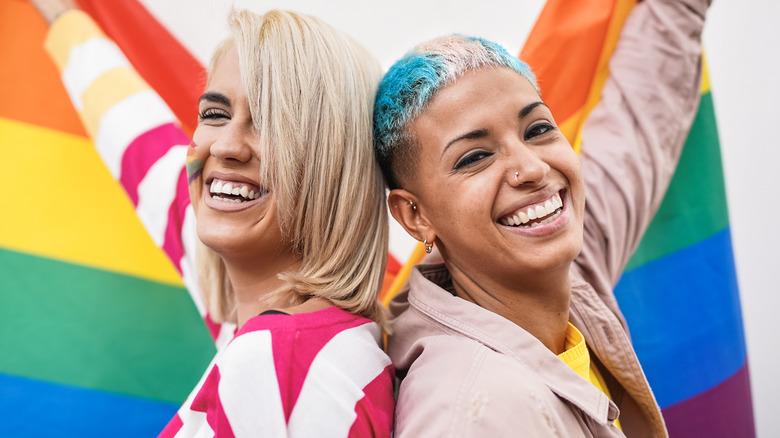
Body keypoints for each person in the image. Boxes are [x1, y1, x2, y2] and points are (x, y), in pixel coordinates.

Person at [32, 1, 394, 436]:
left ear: (337, 165)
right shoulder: (279, 331)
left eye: (271, 122)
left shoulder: (281, 362)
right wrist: (65, 19)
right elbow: (139, 141)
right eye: (215, 114)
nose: (224, 146)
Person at [374, 0, 709, 436]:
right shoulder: (470, 412)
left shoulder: (571, 271)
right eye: (475, 157)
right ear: (415, 215)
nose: (531, 168)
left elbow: (638, 131)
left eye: (538, 129)